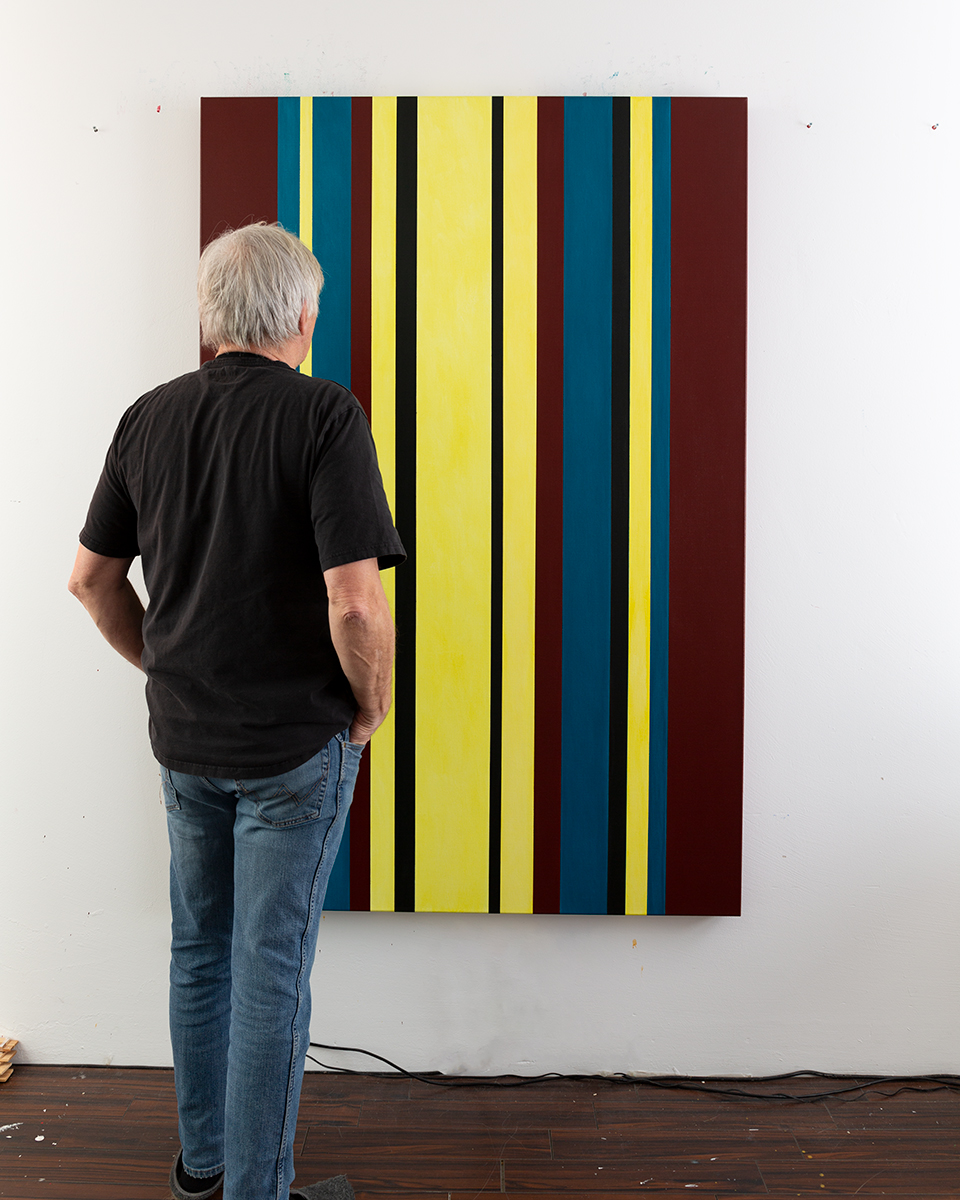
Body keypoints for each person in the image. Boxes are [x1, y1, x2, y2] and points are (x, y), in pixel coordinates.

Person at [68, 223, 404, 1200]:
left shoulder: (148, 417)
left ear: (209, 317)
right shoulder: (325, 415)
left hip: (185, 743)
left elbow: (90, 580)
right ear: (300, 316)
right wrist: (370, 709)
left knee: (200, 954)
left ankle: (203, 1170)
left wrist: (164, 667)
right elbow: (355, 604)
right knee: (270, 972)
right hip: (294, 751)